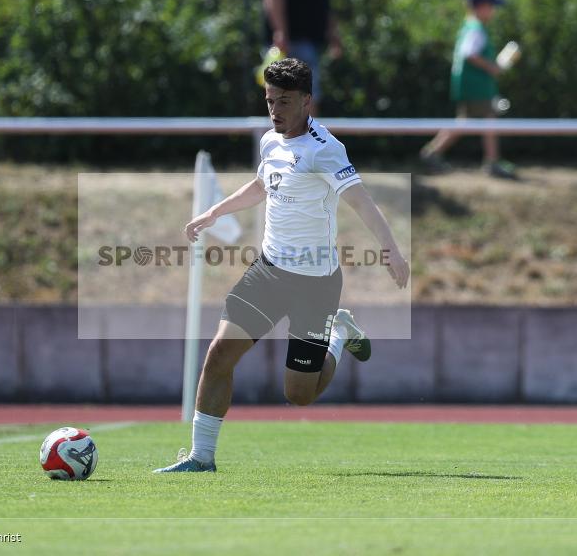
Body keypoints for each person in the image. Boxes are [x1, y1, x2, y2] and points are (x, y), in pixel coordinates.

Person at [154, 58, 410, 473]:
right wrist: (214, 213)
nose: (275, 110)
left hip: (316, 284)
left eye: (285, 101)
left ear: (307, 100)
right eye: (270, 100)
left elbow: (362, 201)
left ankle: (340, 335)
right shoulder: (270, 141)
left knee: (300, 395)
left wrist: (393, 252)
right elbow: (260, 185)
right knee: (219, 355)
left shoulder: (326, 149)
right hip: (268, 273)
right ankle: (201, 457)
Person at [420, 0, 517, 179]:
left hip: (473, 86)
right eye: (491, 6)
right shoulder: (475, 28)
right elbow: (470, 54)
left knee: (468, 122)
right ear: (481, 6)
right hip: (475, 86)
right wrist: (493, 67)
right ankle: (491, 162)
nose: (493, 11)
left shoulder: (471, 26)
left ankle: (432, 153)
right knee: (484, 121)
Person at [261, 0, 342, 115]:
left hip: (310, 41)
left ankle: (306, 140)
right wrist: (280, 31)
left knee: (308, 99)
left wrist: (333, 34)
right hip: (289, 42)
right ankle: (291, 140)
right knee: (285, 101)